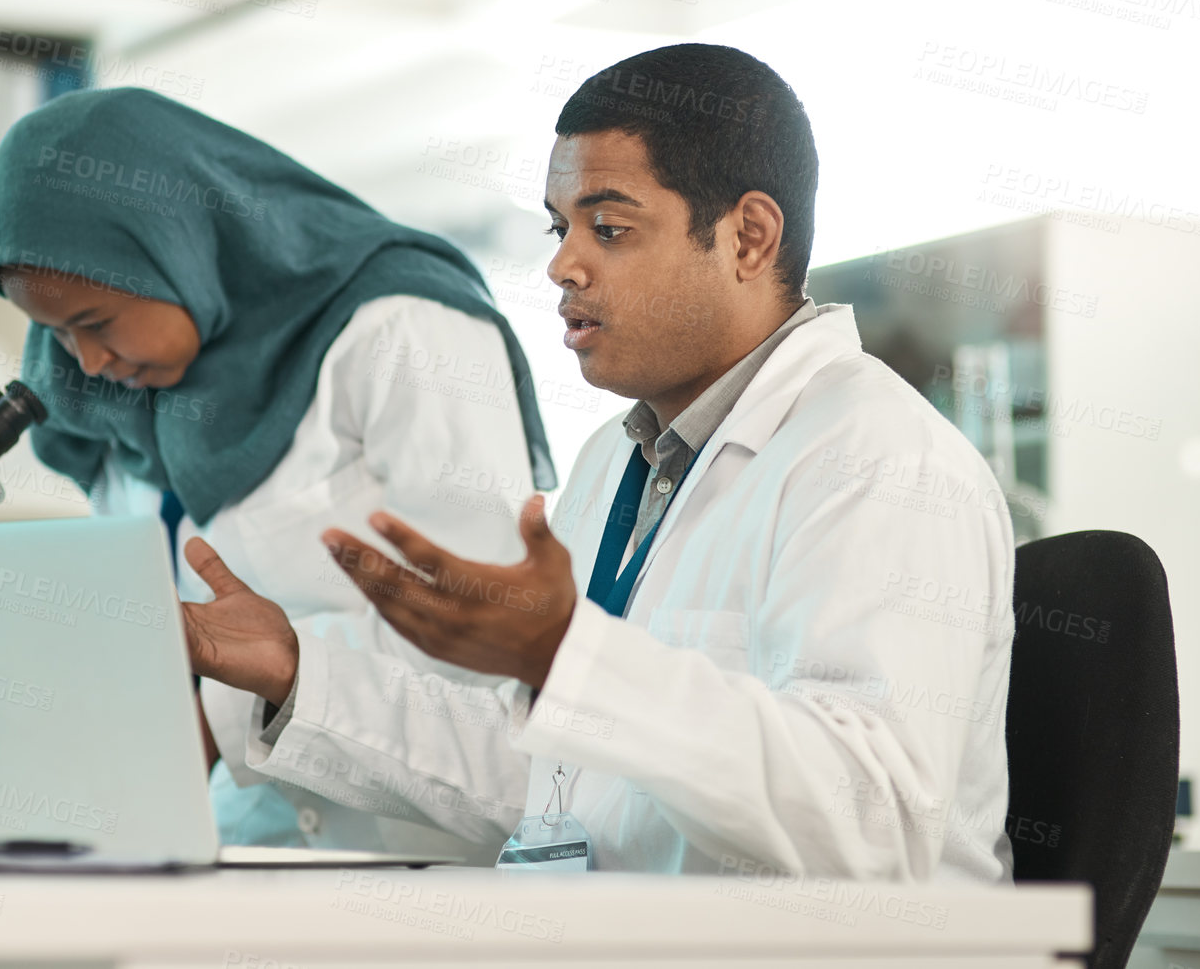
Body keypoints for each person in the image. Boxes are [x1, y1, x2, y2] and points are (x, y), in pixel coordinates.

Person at [177, 44, 1017, 880]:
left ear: (748, 238)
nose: (560, 264)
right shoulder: (616, 462)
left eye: (607, 228)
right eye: (558, 225)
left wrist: (570, 661)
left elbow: (871, 818)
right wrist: (297, 671)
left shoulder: (877, 458)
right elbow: (546, 781)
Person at [0, 86, 556, 862]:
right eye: (51, 331)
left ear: (175, 246)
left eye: (94, 322)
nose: (84, 362)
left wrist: (220, 698)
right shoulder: (107, 394)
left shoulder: (404, 328)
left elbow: (477, 634)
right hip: (229, 842)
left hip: (407, 854)